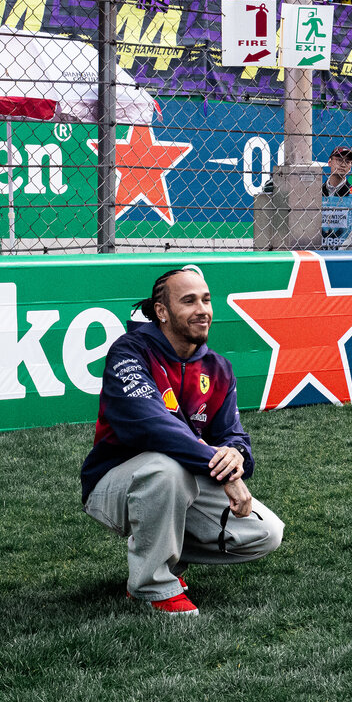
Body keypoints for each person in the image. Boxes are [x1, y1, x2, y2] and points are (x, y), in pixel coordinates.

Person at [80, 265, 284, 618]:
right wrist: (224, 475)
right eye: (188, 301)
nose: (202, 310)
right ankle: (151, 586)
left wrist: (236, 456)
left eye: (206, 300)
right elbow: (153, 427)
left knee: (265, 532)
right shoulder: (129, 353)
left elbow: (232, 435)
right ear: (162, 312)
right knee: (166, 465)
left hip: (179, 483)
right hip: (113, 486)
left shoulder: (218, 368)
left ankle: (168, 557)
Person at [320, 145, 352, 249]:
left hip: (346, 255)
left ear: (350, 167)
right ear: (329, 162)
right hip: (317, 254)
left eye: (347, 161)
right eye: (339, 160)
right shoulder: (315, 193)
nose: (343, 164)